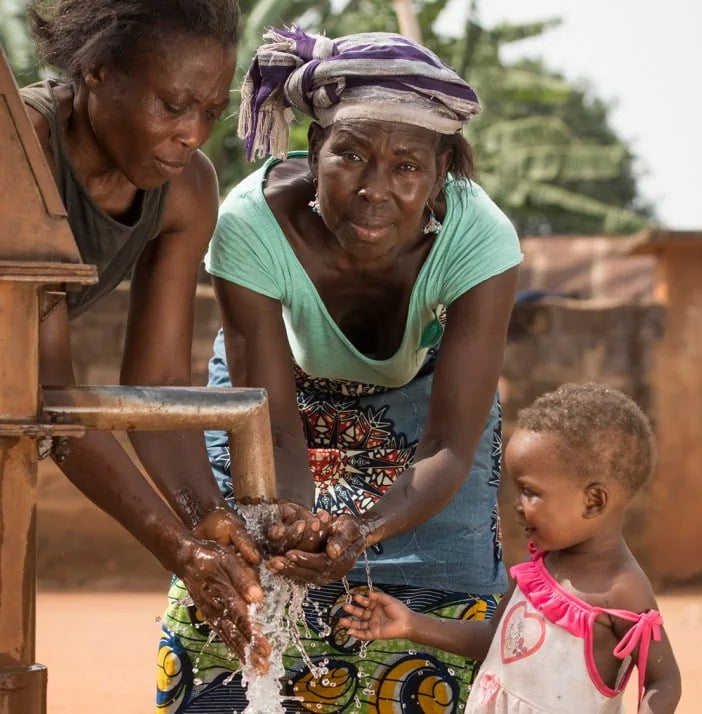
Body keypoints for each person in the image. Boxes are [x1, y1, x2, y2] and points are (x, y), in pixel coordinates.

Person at [157, 27, 522, 713]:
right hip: (275, 396)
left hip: (423, 410)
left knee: (433, 621)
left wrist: (363, 529)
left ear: (442, 172)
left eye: (407, 167)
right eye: (350, 155)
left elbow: (448, 446)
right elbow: (275, 430)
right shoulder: (253, 225)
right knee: (245, 583)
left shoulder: (479, 239)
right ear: (314, 146)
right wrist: (291, 516)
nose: (374, 191)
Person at [20, 0, 296, 670]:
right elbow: (48, 394)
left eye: (209, 112)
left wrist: (208, 520)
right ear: (97, 71)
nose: (192, 133)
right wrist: (177, 549)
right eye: (171, 106)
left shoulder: (186, 190)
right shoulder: (21, 149)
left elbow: (158, 389)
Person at [341, 384, 682, 714]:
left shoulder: (622, 590)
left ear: (593, 501)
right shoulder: (539, 569)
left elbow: (663, 679)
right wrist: (411, 624)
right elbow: (495, 638)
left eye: (530, 492)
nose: (518, 505)